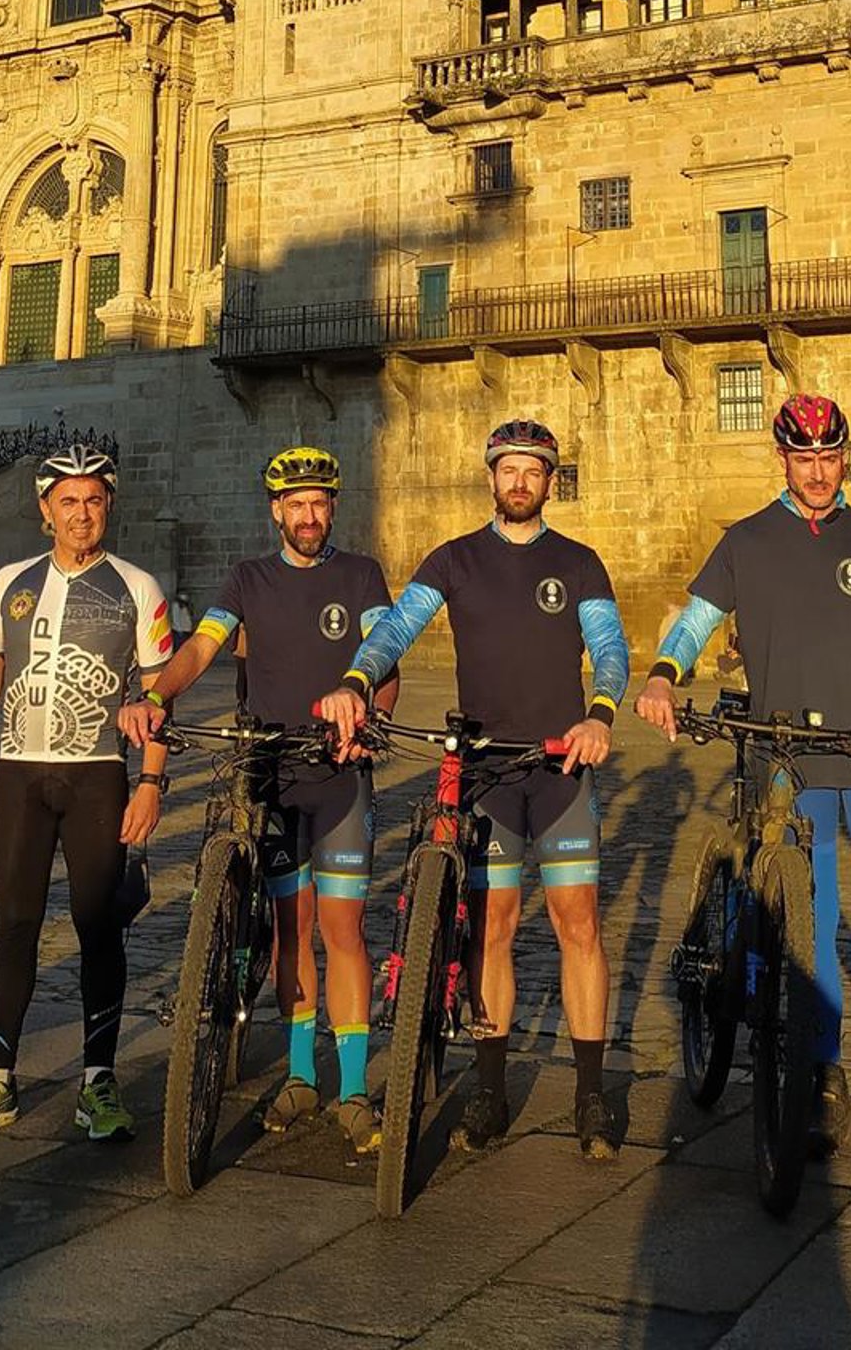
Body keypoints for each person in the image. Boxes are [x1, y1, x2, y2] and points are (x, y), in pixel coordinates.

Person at [635, 392, 851, 1179]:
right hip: (786, 763)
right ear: (782, 459)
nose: (818, 473)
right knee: (813, 932)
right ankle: (823, 1077)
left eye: (829, 457)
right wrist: (662, 674)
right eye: (804, 458)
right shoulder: (746, 541)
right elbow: (695, 621)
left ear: (845, 457)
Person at [318, 418, 629, 1162]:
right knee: (493, 928)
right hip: (486, 773)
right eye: (508, 469)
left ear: (549, 482)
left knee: (579, 925)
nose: (520, 482)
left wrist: (599, 714)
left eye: (533, 471)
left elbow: (610, 648)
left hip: (559, 769)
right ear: (490, 477)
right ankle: (489, 1089)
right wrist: (357, 680)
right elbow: (396, 630)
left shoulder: (579, 562)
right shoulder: (454, 559)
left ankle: (590, 1092)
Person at [119, 446, 398, 1153]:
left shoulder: (360, 574)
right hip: (272, 770)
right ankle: (301, 1075)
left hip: (338, 770)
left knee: (343, 929)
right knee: (290, 929)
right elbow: (201, 647)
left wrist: (372, 719)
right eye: (295, 505)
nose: (308, 516)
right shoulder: (248, 578)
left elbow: (384, 661)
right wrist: (157, 696)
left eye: (318, 504)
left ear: (332, 508)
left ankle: (354, 1088)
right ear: (276, 511)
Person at [0, 443, 171, 1143]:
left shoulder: (138, 587)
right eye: (68, 501)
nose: (81, 514)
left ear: (110, 507)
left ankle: (98, 1081)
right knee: (15, 925)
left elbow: (159, 695)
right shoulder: (9, 581)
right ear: (45, 509)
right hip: (19, 773)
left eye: (94, 500)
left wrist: (151, 782)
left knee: (98, 927)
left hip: (98, 775)